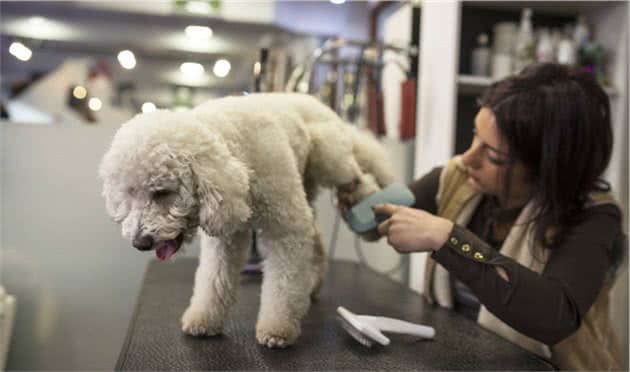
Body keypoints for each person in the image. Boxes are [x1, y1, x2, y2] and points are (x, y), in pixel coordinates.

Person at [338, 63, 625, 371]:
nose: (468, 157)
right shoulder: (457, 179)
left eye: (494, 155)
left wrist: (448, 239)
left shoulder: (593, 217)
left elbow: (554, 317)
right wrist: (348, 182)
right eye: (475, 135)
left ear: (548, 166)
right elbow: (369, 221)